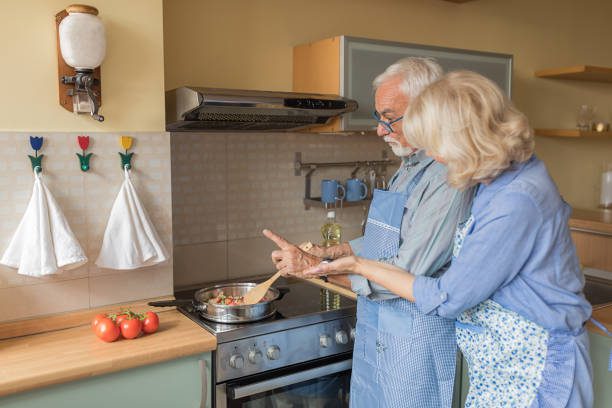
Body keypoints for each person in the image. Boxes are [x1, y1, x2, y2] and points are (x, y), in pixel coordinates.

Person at [303, 71, 594, 407]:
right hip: (502, 369)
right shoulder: (497, 181)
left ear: (467, 137)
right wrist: (353, 261)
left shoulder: (516, 200)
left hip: (535, 373)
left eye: (437, 144)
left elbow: (448, 296)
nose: (437, 158)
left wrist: (355, 266)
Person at [263, 58, 474, 407]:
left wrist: (318, 270)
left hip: (415, 344)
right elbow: (385, 240)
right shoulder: (409, 166)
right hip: (379, 328)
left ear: (429, 109)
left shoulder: (450, 176)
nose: (380, 130)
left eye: (389, 117)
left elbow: (408, 272)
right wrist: (328, 251)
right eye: (380, 118)